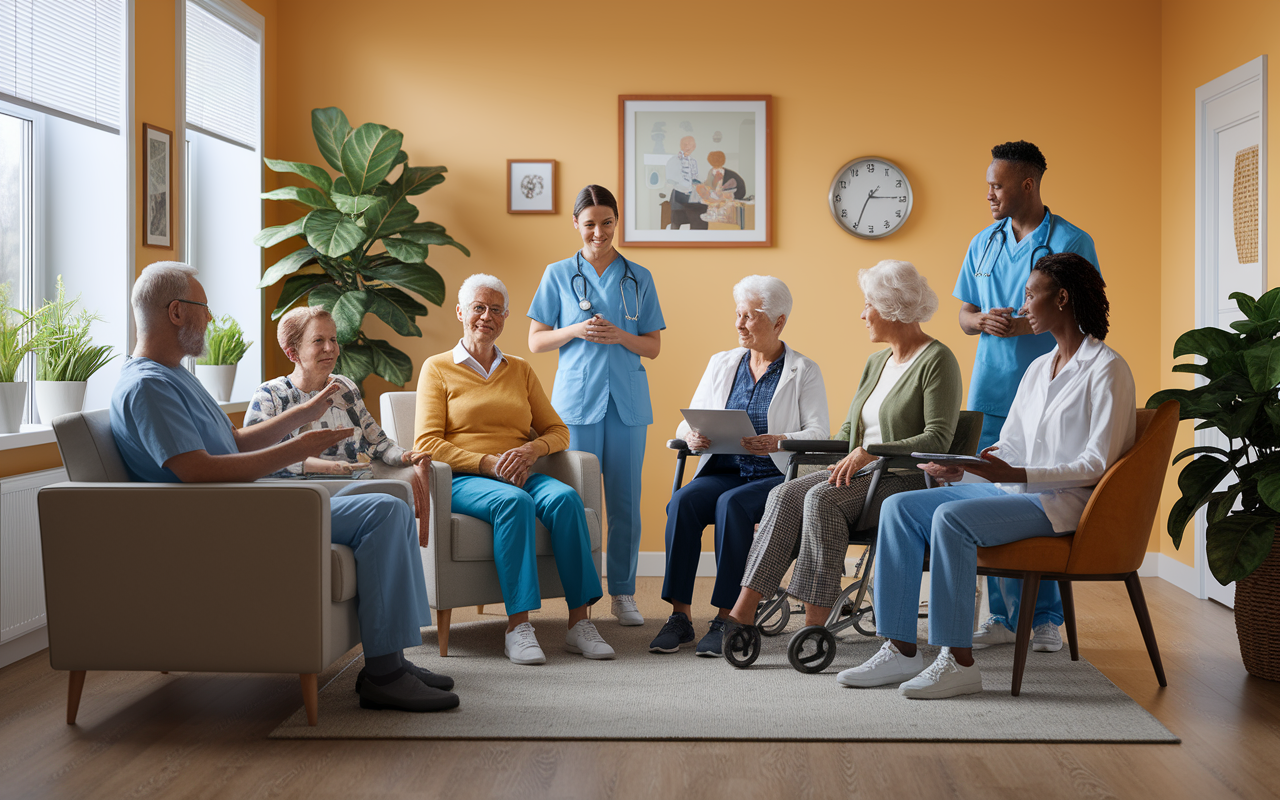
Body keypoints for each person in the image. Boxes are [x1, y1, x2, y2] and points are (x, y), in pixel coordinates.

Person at [110, 262, 455, 713]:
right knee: (384, 511)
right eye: (203, 308)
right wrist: (298, 450)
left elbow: (230, 443)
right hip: (233, 515)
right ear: (176, 312)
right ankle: (384, 676)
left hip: (247, 502)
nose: (210, 318)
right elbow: (197, 471)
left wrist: (302, 416)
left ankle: (393, 658)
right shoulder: (148, 387)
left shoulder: (175, 375)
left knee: (390, 496)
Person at [841, 253, 1135, 699]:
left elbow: (1097, 464)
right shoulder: (1039, 368)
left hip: (1060, 504)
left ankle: (957, 662)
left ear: (1062, 297)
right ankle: (900, 648)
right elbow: (1011, 444)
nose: (1022, 307)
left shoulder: (1107, 369)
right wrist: (969, 464)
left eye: (1030, 295)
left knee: (951, 521)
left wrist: (1015, 471)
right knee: (899, 507)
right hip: (1014, 491)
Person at [720, 261, 962, 644]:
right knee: (783, 493)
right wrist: (839, 454)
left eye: (868, 304)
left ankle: (815, 626)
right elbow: (850, 429)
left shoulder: (937, 360)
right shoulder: (876, 362)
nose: (862, 314)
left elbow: (938, 439)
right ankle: (743, 611)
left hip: (906, 479)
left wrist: (868, 452)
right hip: (864, 474)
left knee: (821, 498)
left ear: (892, 307)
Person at [418, 273, 614, 666]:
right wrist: (488, 463)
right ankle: (518, 626)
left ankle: (579, 623)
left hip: (520, 471)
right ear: (461, 313)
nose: (486, 317)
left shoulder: (520, 369)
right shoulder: (437, 368)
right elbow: (425, 443)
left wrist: (531, 450)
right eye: (478, 308)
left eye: (495, 310)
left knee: (565, 499)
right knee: (514, 504)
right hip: (464, 478)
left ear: (505, 317)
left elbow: (558, 431)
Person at [955, 140, 1100, 653]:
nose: (989, 193)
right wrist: (981, 321)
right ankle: (1000, 616)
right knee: (991, 499)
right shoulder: (984, 242)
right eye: (988, 184)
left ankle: (1044, 619)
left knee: (1045, 500)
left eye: (997, 185)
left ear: (1027, 184)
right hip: (991, 390)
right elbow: (965, 314)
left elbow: (1084, 313)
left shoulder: (1071, 241)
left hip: (1050, 394)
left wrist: (1028, 328)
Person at [650, 276, 829, 657]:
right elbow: (689, 420)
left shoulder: (804, 370)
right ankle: (679, 617)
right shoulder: (722, 363)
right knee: (683, 502)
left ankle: (726, 617)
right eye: (737, 314)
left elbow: (819, 432)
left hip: (774, 476)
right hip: (723, 469)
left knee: (730, 506)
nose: (739, 324)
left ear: (778, 322)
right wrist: (693, 435)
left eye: (749, 316)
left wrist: (778, 440)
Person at [527, 185, 666, 627]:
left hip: (626, 405)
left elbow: (653, 346)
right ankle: (581, 601)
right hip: (576, 404)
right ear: (576, 225)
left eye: (607, 223)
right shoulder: (556, 274)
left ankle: (623, 594)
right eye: (589, 224)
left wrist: (619, 336)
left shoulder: (638, 276)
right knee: (582, 505)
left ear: (616, 222)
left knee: (626, 504)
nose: (599, 232)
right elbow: (535, 340)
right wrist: (575, 330)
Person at [243, 306, 430, 476]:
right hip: (302, 495)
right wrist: (331, 468)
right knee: (390, 504)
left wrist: (404, 455)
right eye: (318, 341)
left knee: (397, 501)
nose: (330, 348)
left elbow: (377, 442)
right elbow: (256, 460)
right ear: (292, 353)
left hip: (353, 485)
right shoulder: (270, 395)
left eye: (333, 339)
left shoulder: (344, 387)